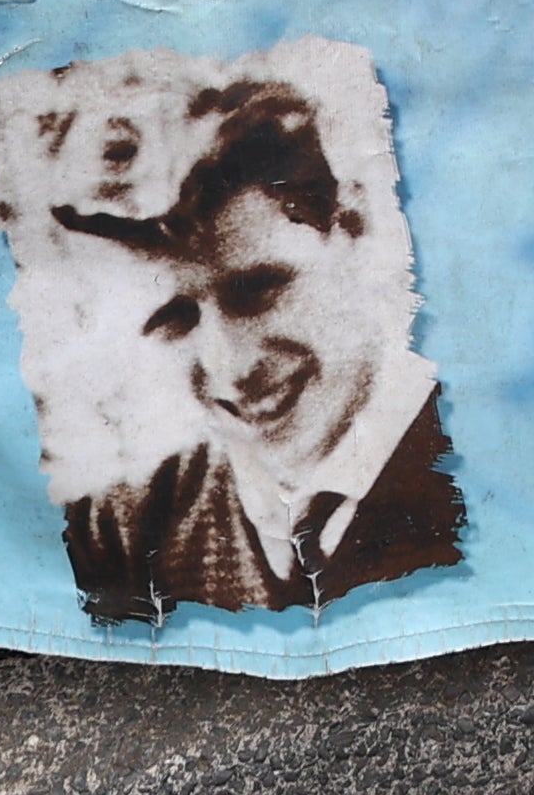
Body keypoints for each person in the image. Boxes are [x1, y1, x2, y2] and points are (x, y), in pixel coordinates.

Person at [44, 77, 462, 620]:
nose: (230, 368)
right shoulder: (121, 534)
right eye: (176, 319)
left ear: (354, 226)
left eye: (256, 290)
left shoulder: (490, 469)